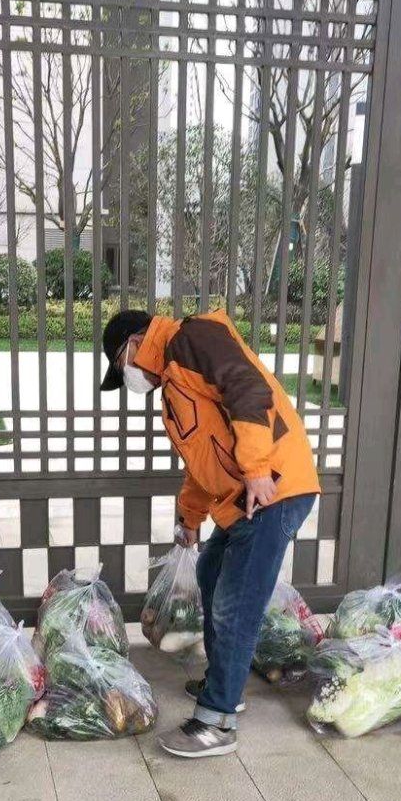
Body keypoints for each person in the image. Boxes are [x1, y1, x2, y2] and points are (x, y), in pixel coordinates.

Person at [101, 307, 320, 758]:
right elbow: (203, 463)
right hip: (244, 498)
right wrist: (189, 518)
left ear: (137, 343)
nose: (128, 378)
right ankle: (225, 682)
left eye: (122, 365)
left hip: (273, 487)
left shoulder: (192, 339)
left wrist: (258, 468)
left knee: (235, 605)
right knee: (211, 574)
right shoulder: (173, 387)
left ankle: (217, 721)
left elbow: (248, 389)